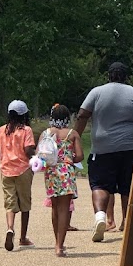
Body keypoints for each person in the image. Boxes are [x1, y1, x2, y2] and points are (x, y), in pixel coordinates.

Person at [74, 61, 133, 242]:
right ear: (126, 76)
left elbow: (82, 115)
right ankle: (127, 224)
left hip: (103, 149)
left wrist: (76, 137)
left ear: (108, 75)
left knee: (100, 185)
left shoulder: (96, 92)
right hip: (131, 149)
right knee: (128, 186)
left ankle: (100, 217)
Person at [40, 104, 84, 257]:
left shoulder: (46, 133)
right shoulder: (72, 134)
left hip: (51, 172)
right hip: (66, 171)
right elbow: (79, 156)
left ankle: (55, 242)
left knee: (54, 207)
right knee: (64, 208)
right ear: (67, 117)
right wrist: (69, 157)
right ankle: (60, 245)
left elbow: (41, 156)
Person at [0, 99, 36, 251]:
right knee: (25, 204)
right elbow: (28, 150)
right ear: (24, 114)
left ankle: (10, 228)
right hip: (23, 170)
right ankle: (23, 237)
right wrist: (36, 153)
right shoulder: (26, 130)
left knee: (10, 202)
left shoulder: (2, 130)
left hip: (6, 170)